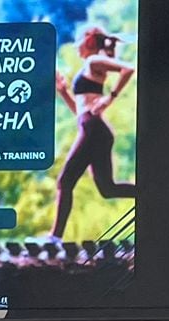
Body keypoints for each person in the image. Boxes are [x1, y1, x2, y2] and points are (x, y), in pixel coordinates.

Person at [50, 25, 137, 241]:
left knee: (65, 181)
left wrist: (110, 97)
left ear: (88, 41)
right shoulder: (89, 66)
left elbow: (128, 69)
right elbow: (80, 112)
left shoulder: (92, 61)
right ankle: (152, 193)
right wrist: (63, 92)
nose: (76, 45)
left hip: (93, 129)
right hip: (92, 128)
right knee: (107, 189)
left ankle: (55, 238)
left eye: (79, 40)